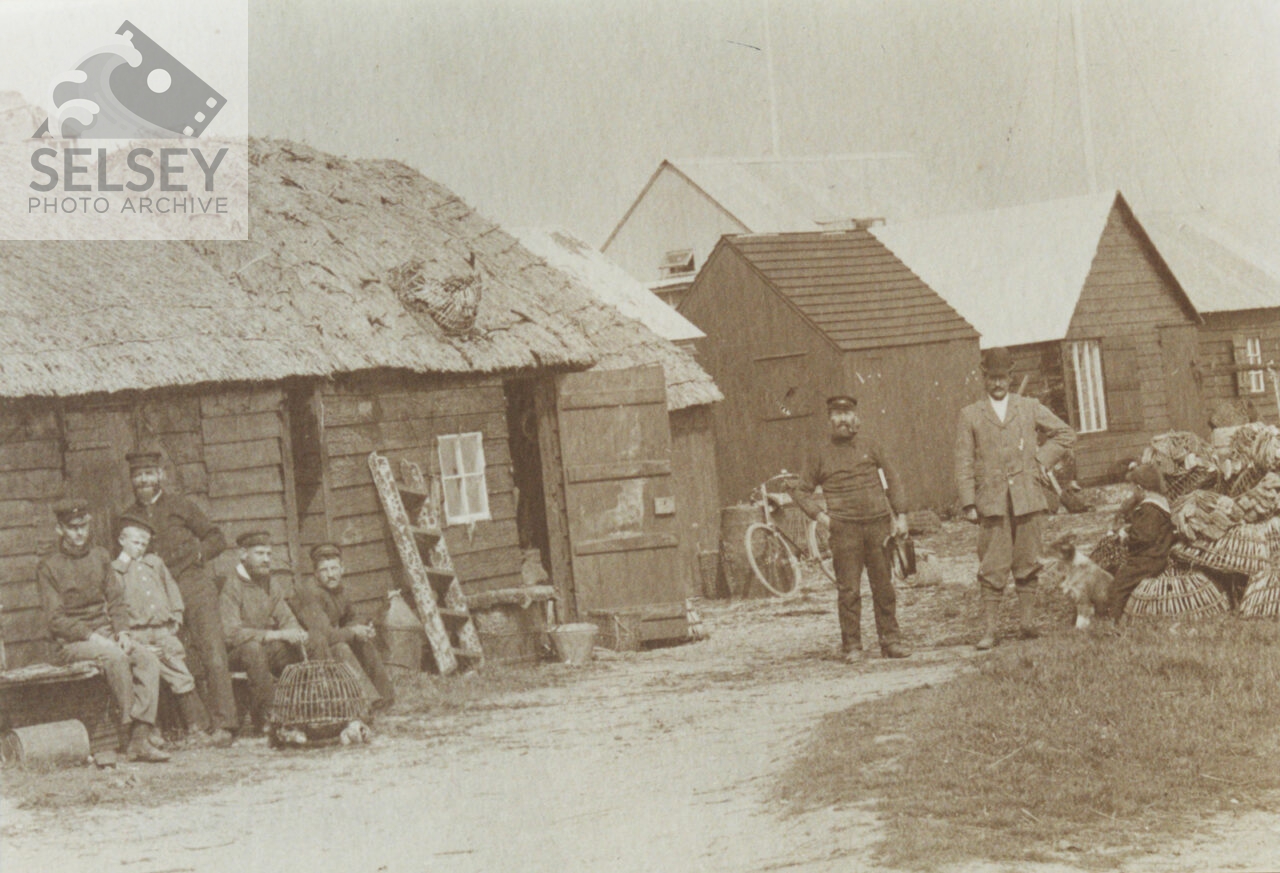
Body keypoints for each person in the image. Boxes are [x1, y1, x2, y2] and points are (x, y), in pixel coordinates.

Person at [956, 347, 1076, 649]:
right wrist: (969, 502)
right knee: (992, 565)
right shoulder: (970, 414)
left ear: (1010, 378)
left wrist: (1040, 461)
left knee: (1027, 560)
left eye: (1002, 378)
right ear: (984, 378)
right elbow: (963, 461)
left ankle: (1027, 623)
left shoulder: (1029, 406)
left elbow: (1065, 434)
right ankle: (991, 631)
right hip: (992, 502)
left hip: (1027, 498)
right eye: (992, 378)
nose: (997, 384)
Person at [37, 498, 169, 762]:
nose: (79, 533)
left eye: (83, 527)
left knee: (146, 659)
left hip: (106, 633)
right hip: (71, 642)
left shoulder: (100, 556)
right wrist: (92, 636)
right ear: (60, 529)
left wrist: (122, 633)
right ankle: (128, 729)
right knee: (116, 658)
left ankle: (140, 736)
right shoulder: (49, 566)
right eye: (73, 527)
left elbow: (117, 601)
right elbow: (55, 619)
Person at [121, 448, 236, 746]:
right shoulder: (127, 516)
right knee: (170, 659)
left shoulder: (182, 506)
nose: (144, 479)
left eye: (149, 473)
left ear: (161, 475)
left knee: (212, 653)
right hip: (157, 601)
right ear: (132, 479)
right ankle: (186, 727)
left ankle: (225, 726)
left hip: (194, 587)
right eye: (138, 475)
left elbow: (216, 538)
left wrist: (198, 555)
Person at [791, 390, 911, 662]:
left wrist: (901, 515)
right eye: (837, 414)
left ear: (856, 417)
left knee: (884, 586)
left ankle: (890, 641)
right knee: (849, 590)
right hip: (844, 530)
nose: (842, 419)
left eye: (847, 413)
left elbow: (892, 478)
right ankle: (852, 646)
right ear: (829, 418)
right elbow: (800, 492)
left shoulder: (871, 445)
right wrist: (823, 518)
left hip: (878, 525)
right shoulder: (819, 453)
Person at [111, 511, 227, 747]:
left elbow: (171, 589)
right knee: (147, 679)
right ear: (122, 540)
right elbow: (114, 603)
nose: (140, 548)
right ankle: (152, 731)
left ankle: (197, 727)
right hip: (137, 633)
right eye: (135, 542)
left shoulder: (155, 564)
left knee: (179, 674)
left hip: (163, 630)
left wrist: (176, 615)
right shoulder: (115, 570)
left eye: (144, 543)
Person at [219, 531, 309, 734]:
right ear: (243, 554)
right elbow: (231, 634)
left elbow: (286, 617)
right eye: (260, 553)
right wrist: (275, 635)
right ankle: (267, 718)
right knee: (253, 649)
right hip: (236, 654)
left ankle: (304, 709)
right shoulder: (232, 586)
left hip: (262, 648)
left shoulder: (270, 583)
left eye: (269, 554)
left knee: (300, 645)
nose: (266, 559)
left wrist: (296, 632)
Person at [291, 543, 396, 711]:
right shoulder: (309, 594)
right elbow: (325, 635)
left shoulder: (339, 590)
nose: (331, 575)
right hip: (307, 651)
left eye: (334, 568)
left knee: (362, 641)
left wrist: (363, 629)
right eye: (324, 570)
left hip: (328, 642)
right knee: (341, 647)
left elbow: (351, 618)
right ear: (316, 573)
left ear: (342, 569)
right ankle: (365, 701)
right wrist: (354, 632)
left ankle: (386, 697)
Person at [1107, 463, 1175, 619]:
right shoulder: (1159, 504)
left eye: (1133, 488)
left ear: (1140, 488)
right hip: (1155, 554)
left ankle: (1112, 620)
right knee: (1117, 571)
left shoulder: (1149, 508)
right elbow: (1147, 530)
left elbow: (1144, 537)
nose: (1132, 492)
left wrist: (1125, 537)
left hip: (1149, 559)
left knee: (1119, 585)